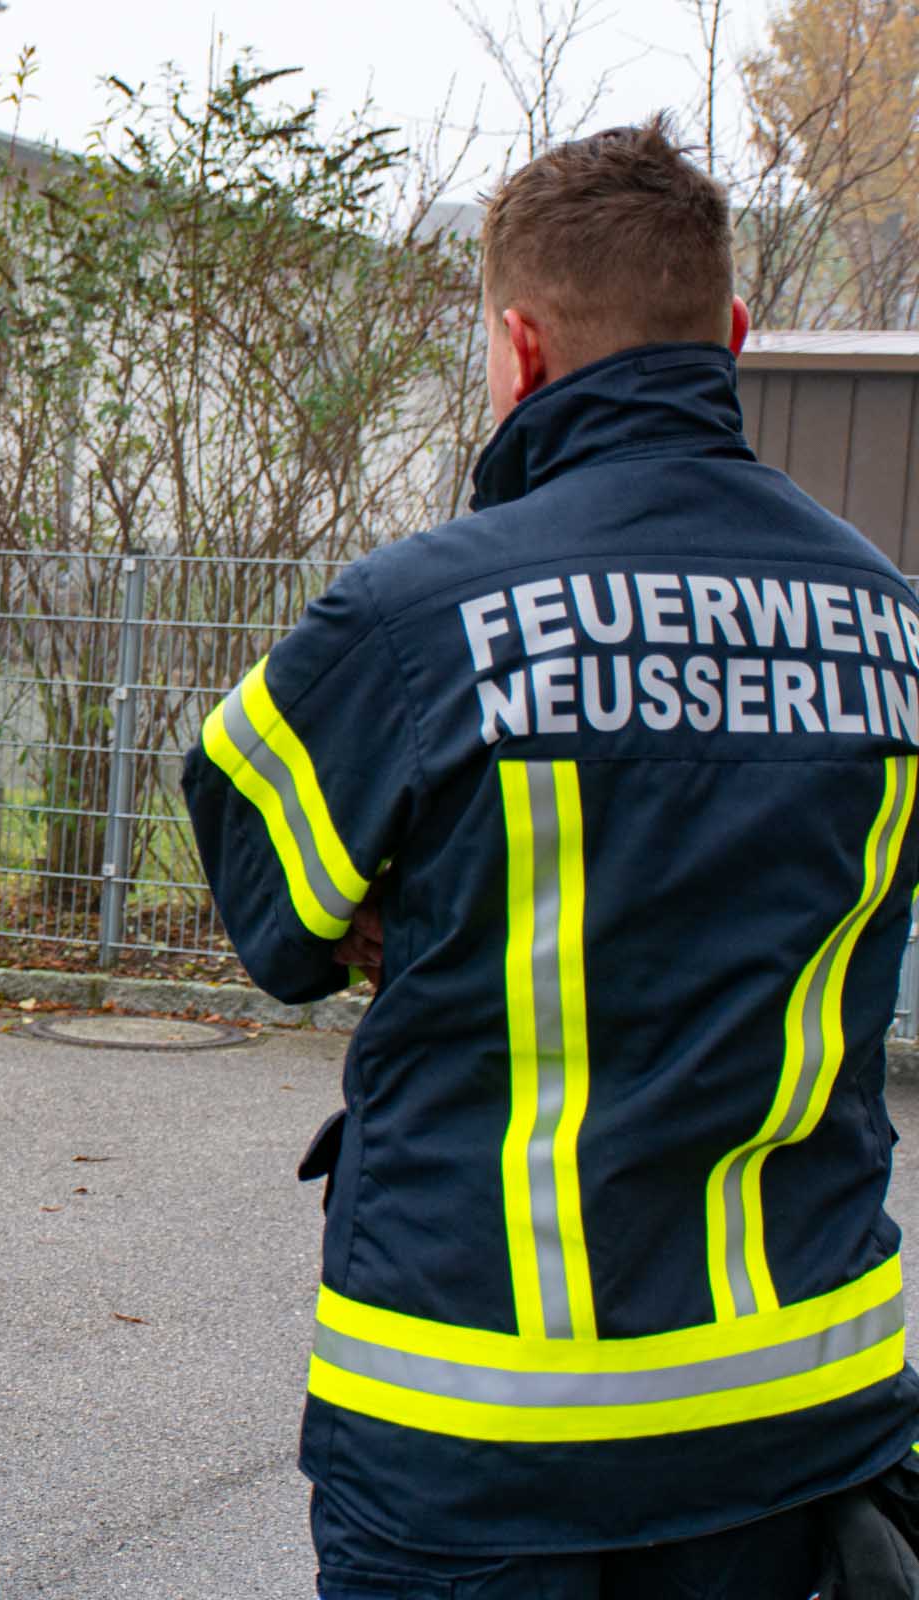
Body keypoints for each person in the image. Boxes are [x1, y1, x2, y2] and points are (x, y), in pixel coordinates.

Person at [185, 115, 919, 1595]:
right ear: (731, 335)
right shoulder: (892, 623)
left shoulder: (413, 620)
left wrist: (407, 910)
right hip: (793, 1422)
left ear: (519, 350)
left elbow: (271, 909)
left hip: (478, 1425)